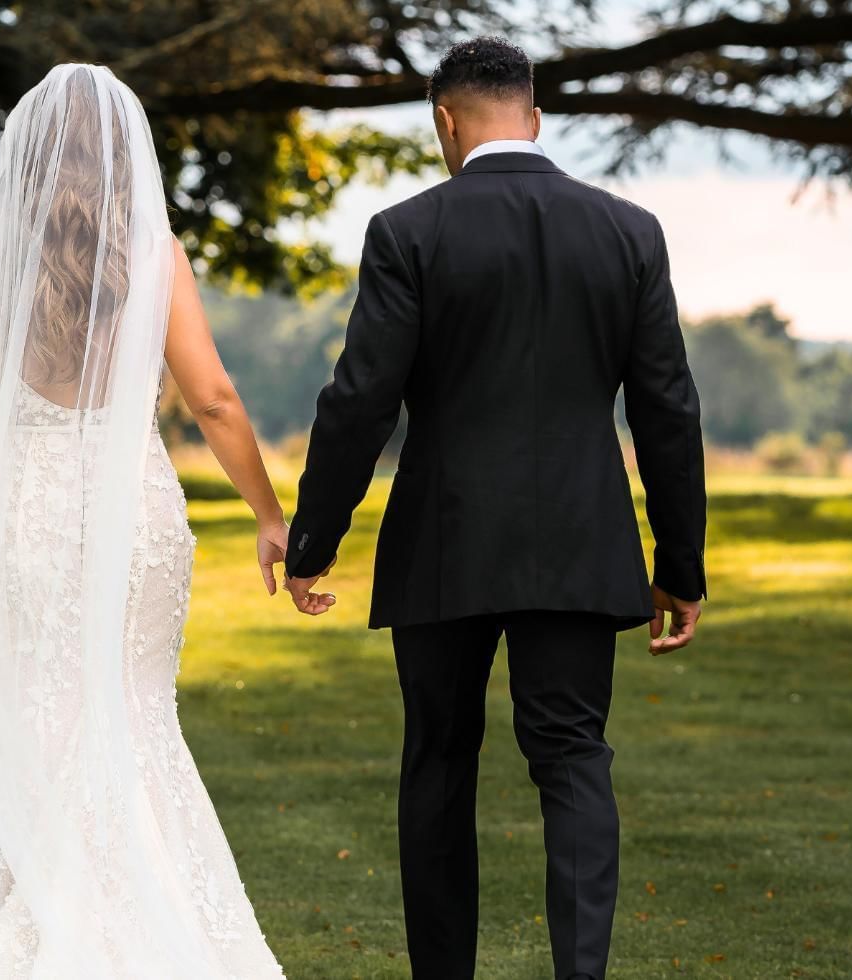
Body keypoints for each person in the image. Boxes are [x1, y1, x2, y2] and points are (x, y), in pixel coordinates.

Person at [282, 36, 708, 980]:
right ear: (535, 116)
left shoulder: (408, 231)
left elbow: (360, 399)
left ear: (445, 119)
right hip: (580, 539)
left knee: (438, 759)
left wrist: (315, 539)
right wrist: (679, 566)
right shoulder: (629, 230)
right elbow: (668, 407)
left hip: (445, 539)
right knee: (572, 758)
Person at [0, 63, 288, 978]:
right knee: (133, 715)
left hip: (29, 521)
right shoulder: (151, 251)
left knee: (44, 711)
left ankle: (45, 916)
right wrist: (268, 513)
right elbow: (214, 399)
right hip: (134, 520)